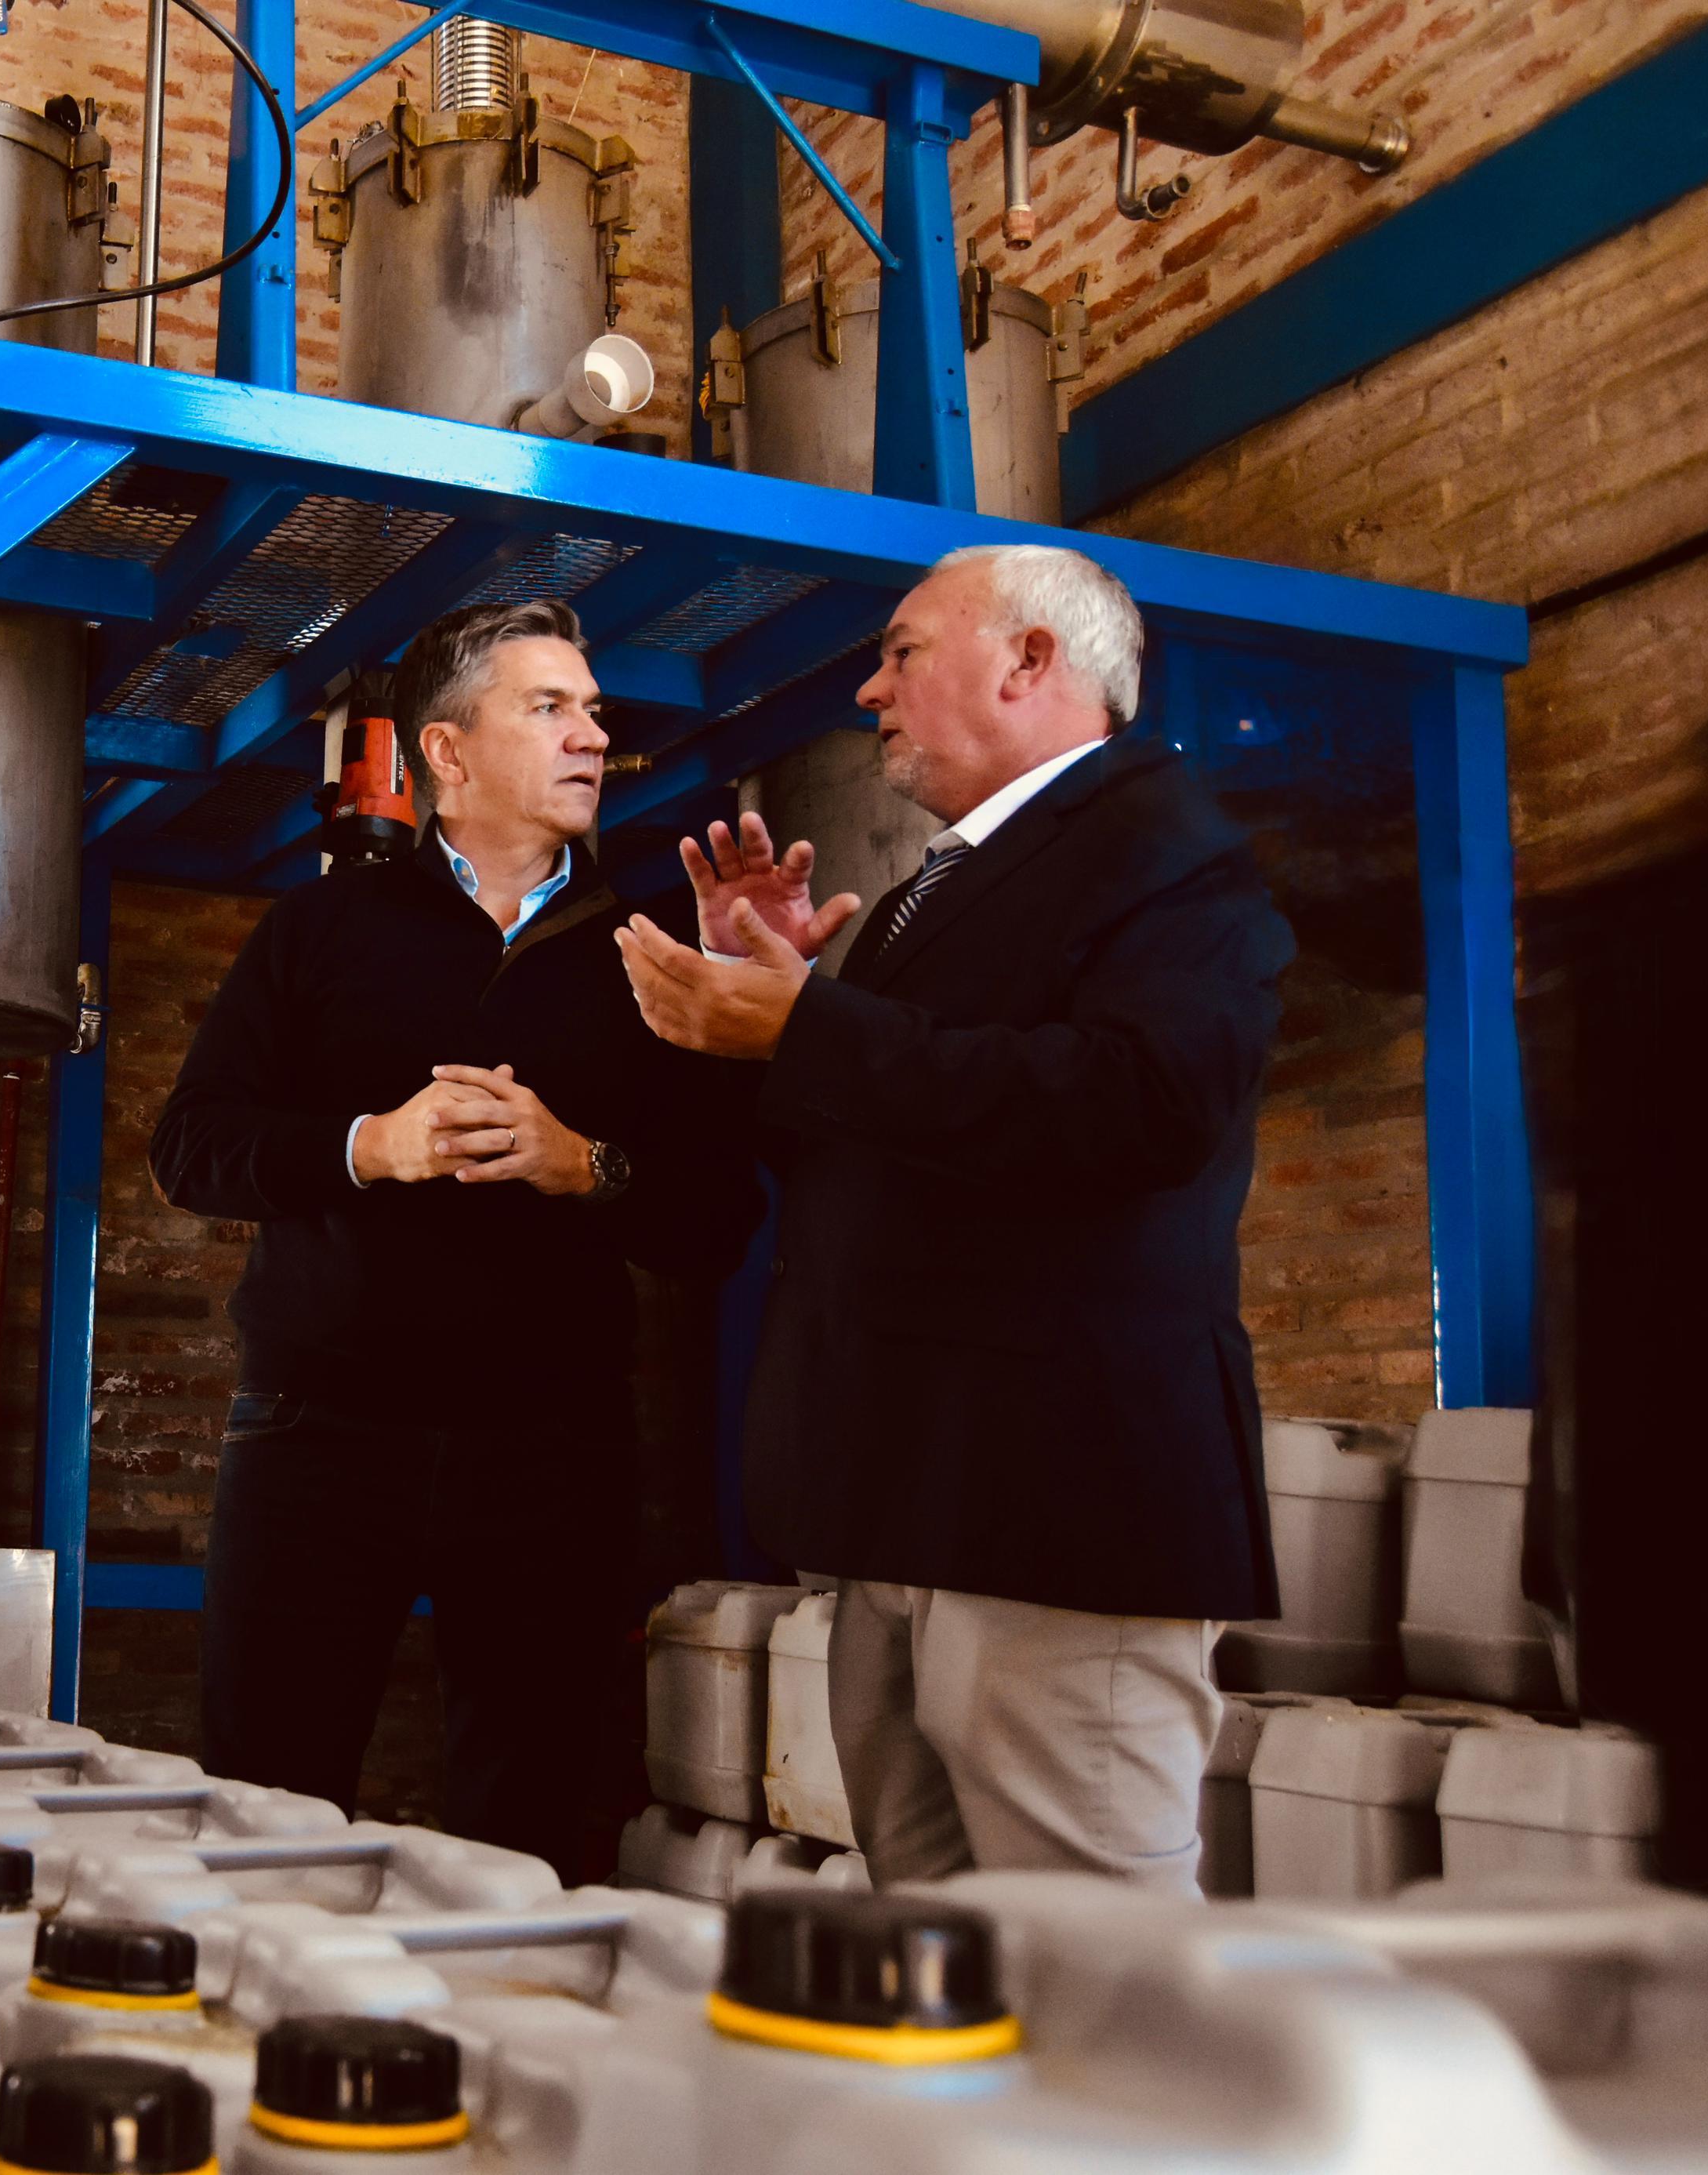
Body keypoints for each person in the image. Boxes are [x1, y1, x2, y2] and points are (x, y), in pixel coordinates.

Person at [614, 543, 1293, 1894]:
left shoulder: (1170, 851)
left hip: (1054, 1519)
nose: (871, 688)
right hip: (906, 1507)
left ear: (1032, 659)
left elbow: (1145, 1106)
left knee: (1093, 1970)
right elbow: (849, 1151)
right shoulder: (949, 885)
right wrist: (765, 1004)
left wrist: (812, 1027)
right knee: (938, 1960)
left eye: (904, 651)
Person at [150, 598, 763, 1882]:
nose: (591, 734)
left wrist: (580, 1162)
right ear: (447, 750)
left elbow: (719, 1219)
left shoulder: (648, 959)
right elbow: (192, 1145)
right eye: (550, 707)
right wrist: (371, 1144)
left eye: (593, 710)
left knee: (535, 1826)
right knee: (266, 1807)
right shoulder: (318, 930)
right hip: (319, 1431)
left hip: (551, 1445)